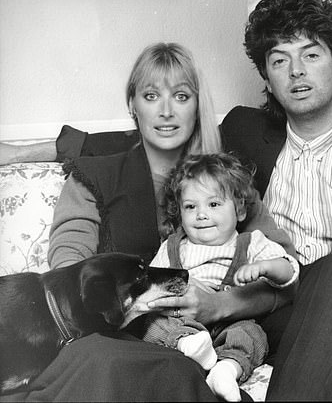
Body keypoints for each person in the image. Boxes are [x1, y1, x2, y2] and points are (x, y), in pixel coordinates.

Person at [0, 0, 332, 400]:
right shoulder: (244, 132)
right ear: (267, 76)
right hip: (272, 316)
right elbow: (149, 137)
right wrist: (27, 147)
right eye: (280, 60)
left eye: (312, 55)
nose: (296, 72)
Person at [1, 42, 297, 402]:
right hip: (121, 340)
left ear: (197, 106)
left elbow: (286, 279)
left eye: (182, 96)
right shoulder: (94, 178)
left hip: (226, 334)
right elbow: (70, 275)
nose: (167, 111)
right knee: (160, 367)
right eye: (152, 95)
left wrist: (222, 305)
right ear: (133, 106)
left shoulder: (225, 184)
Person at [142, 152, 299, 402]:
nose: (201, 214)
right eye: (191, 207)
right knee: (152, 325)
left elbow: (289, 271)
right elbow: (151, 285)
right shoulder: (172, 246)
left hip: (231, 320)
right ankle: (187, 346)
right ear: (180, 212)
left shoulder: (251, 242)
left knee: (252, 334)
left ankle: (226, 370)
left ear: (238, 210)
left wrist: (265, 267)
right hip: (181, 321)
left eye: (213, 204)